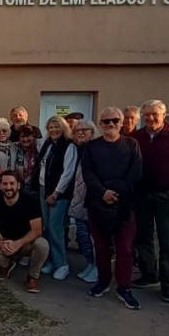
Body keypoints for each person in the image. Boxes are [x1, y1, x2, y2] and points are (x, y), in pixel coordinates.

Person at [82, 107, 143, 310]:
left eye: (114, 121)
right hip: (98, 203)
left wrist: (116, 192)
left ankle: (124, 287)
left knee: (125, 247)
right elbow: (88, 172)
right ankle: (104, 281)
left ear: (121, 122)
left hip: (124, 204)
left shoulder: (131, 144)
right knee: (101, 245)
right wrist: (102, 193)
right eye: (106, 121)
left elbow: (135, 172)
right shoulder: (91, 147)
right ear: (101, 123)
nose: (110, 124)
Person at [131, 100, 169, 303]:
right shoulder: (136, 137)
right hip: (143, 195)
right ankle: (149, 274)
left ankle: (168, 284)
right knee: (143, 238)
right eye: (146, 114)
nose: (150, 118)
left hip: (168, 196)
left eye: (155, 114)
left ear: (164, 115)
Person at [0, 171, 48, 293]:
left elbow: (37, 230)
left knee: (42, 244)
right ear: (1, 186)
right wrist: (1, 242)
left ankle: (32, 276)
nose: (8, 187)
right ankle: (6, 265)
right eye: (5, 184)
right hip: (5, 242)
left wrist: (18, 243)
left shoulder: (30, 201)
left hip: (25, 243)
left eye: (12, 183)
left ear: (18, 185)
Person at [33, 116, 77, 280]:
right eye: (50, 127)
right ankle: (51, 259)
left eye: (57, 127)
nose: (53, 130)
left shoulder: (69, 146)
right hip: (43, 189)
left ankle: (62, 264)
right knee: (45, 228)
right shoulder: (48, 144)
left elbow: (68, 173)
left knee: (55, 228)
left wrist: (56, 193)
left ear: (64, 128)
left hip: (57, 193)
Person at [69, 120, 99, 283]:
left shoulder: (97, 149)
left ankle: (98, 267)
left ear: (93, 131)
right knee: (82, 234)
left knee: (94, 236)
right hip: (79, 198)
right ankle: (89, 263)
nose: (80, 133)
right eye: (77, 130)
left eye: (85, 130)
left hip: (92, 199)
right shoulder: (77, 149)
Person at [16, 125, 40, 196]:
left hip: (35, 187)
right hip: (18, 186)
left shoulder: (40, 149)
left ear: (34, 137)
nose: (25, 139)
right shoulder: (14, 148)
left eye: (28, 136)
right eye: (22, 136)